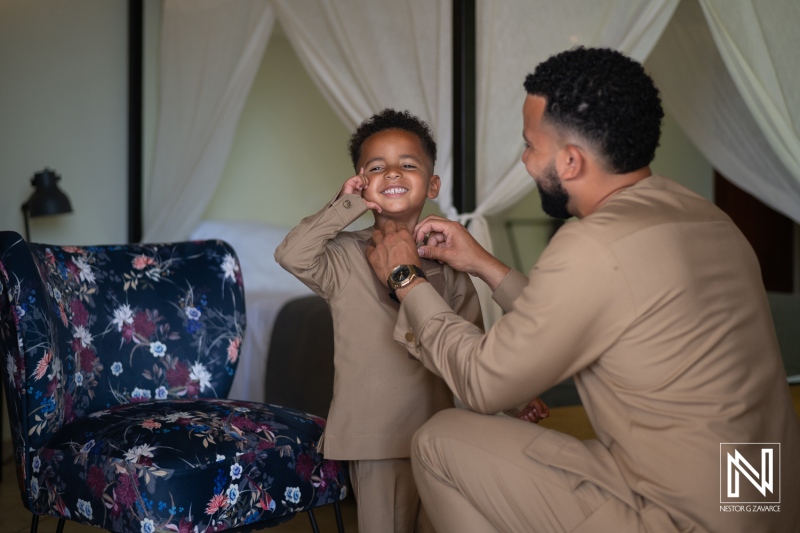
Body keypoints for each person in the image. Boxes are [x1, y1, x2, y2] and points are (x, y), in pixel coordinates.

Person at [365, 47, 800, 532]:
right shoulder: (705, 216)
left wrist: (407, 280)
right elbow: (582, 316)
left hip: (684, 519)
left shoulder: (595, 243)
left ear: (570, 161)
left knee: (440, 439)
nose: (526, 162)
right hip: (759, 503)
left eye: (530, 146)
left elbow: (486, 383)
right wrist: (483, 264)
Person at [275, 109, 550, 532]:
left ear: (433, 183)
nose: (392, 173)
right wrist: (343, 204)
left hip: (439, 432)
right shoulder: (344, 256)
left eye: (408, 164)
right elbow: (291, 254)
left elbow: (471, 344)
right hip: (376, 436)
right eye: (376, 167)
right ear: (361, 182)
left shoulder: (448, 258)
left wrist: (511, 399)